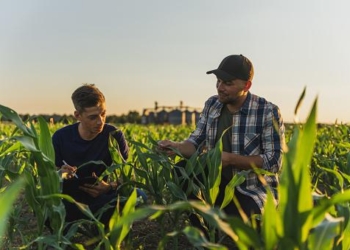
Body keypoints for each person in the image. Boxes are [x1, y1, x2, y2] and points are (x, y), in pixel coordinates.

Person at [157, 54, 285, 230]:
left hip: (250, 188)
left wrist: (230, 159)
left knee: (247, 220)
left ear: (246, 85)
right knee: (182, 170)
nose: (220, 87)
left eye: (228, 83)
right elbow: (195, 142)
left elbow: (274, 161)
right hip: (215, 185)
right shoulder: (212, 104)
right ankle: (204, 234)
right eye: (218, 81)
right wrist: (176, 146)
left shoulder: (268, 111)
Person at [52, 83, 146, 228]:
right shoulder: (60, 138)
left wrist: (109, 187)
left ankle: (106, 228)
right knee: (48, 206)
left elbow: (128, 177)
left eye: (103, 114)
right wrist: (60, 174)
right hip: (70, 201)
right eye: (93, 117)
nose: (100, 121)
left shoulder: (114, 135)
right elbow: (47, 177)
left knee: (139, 196)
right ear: (78, 116)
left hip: (101, 198)